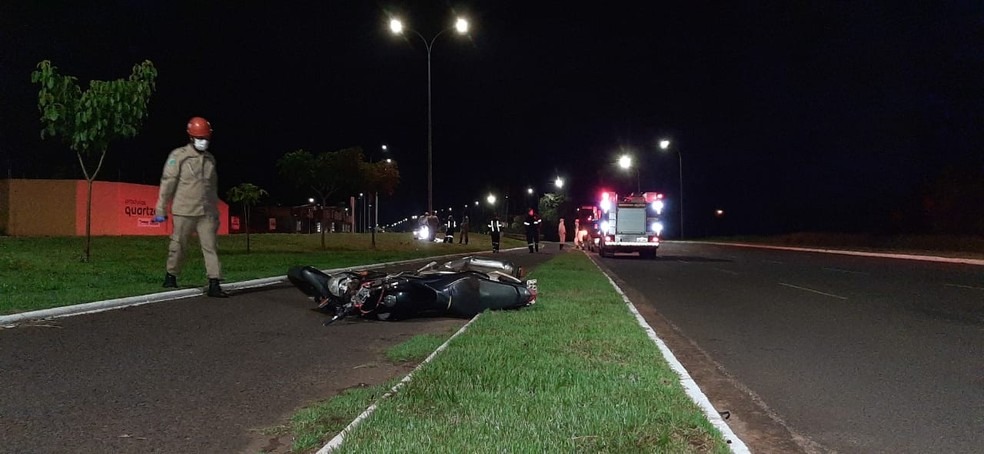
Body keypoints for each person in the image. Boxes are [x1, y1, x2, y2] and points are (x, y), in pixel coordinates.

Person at [152, 116, 228, 298]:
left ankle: (214, 282)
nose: (204, 142)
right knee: (179, 245)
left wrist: (215, 211)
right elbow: (167, 183)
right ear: (191, 137)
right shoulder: (178, 156)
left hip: (207, 212)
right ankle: (171, 275)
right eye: (200, 138)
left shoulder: (210, 159)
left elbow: (213, 186)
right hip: (184, 210)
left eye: (206, 138)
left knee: (210, 246)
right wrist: (161, 208)